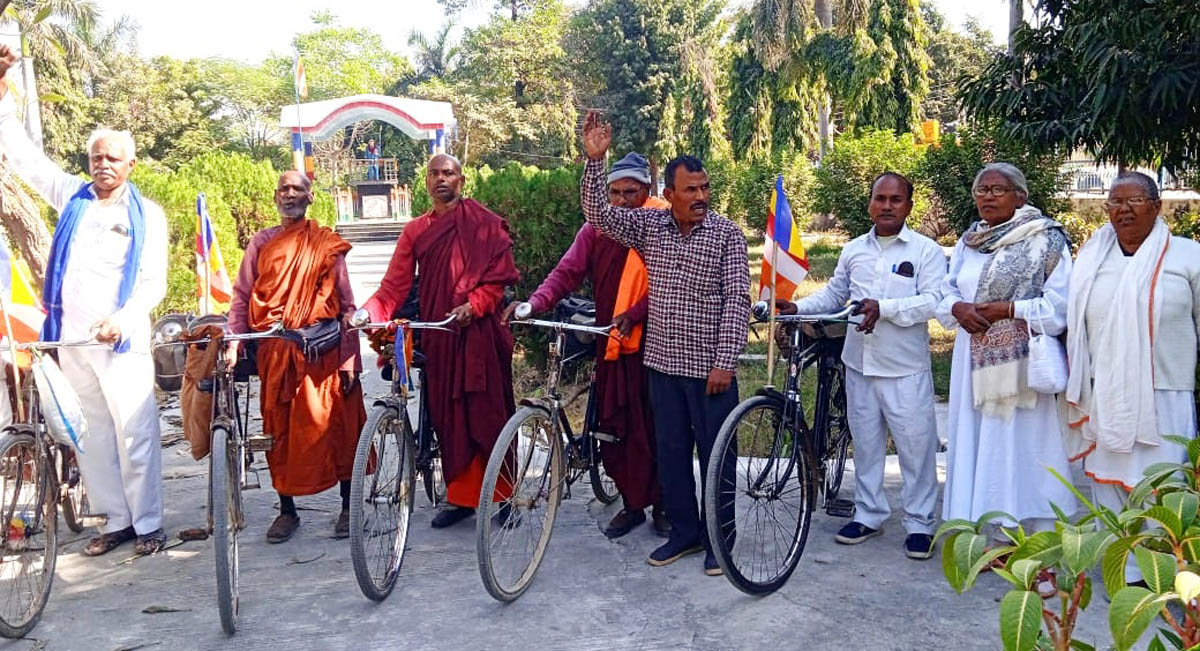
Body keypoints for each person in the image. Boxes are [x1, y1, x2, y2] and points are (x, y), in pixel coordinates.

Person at [0, 44, 169, 556]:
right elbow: (26, 159)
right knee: (91, 434)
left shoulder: (149, 216)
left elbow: (152, 283)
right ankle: (115, 521)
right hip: (72, 341)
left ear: (131, 164)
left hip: (122, 343)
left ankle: (148, 524)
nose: (102, 165)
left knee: (134, 434)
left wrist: (123, 318)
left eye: (112, 158)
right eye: (96, 158)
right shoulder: (71, 197)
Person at [580, 111, 750, 576]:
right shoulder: (648, 228)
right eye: (690, 190)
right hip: (662, 365)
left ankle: (721, 539)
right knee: (672, 455)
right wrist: (596, 162)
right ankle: (686, 532)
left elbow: (737, 299)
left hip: (710, 372)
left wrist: (725, 361)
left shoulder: (727, 235)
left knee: (718, 457)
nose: (700, 197)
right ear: (667, 195)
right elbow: (599, 215)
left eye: (704, 188)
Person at [777, 172, 944, 559]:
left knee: (915, 449)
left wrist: (884, 309)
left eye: (896, 199)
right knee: (866, 445)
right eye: (880, 198)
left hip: (904, 368)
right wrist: (797, 307)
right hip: (859, 364)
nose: (887, 206)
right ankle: (868, 514)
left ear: (909, 205)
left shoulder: (925, 251)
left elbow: (934, 301)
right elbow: (836, 294)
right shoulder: (854, 249)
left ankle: (920, 523)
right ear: (870, 203)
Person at [503, 152, 670, 539]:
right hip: (611, 342)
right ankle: (631, 504)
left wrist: (637, 311)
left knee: (658, 428)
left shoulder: (661, 223)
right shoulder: (597, 228)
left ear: (648, 190)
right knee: (613, 427)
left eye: (632, 192)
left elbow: (668, 282)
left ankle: (663, 503)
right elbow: (567, 271)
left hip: (655, 344)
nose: (623, 201)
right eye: (615, 192)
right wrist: (535, 302)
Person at [359, 153, 520, 529]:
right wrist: (369, 314)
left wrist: (475, 304)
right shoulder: (416, 230)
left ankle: (504, 494)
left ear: (461, 180)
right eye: (434, 174)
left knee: (490, 417)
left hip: (480, 335)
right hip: (441, 336)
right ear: (426, 182)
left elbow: (498, 283)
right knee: (449, 422)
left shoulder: (485, 224)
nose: (441, 179)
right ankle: (462, 498)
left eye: (448, 173)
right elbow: (394, 286)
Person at [1066, 172, 1200, 583]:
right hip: (1105, 388)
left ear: (1157, 207)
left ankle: (1164, 568)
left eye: (1135, 201)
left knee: (1163, 482)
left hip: (1166, 388)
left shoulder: (1187, 256)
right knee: (1109, 485)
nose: (1123, 210)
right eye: (1114, 203)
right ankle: (1120, 565)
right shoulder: (1092, 258)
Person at [226, 171, 366, 543]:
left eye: (298, 189)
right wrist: (234, 341)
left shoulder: (325, 244)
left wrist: (351, 358)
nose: (290, 194)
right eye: (284, 189)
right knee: (279, 432)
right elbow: (241, 297)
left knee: (340, 426)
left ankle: (349, 506)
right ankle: (287, 510)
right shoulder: (262, 242)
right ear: (275, 197)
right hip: (276, 353)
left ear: (310, 196)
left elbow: (347, 305)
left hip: (322, 352)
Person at [936, 162, 1077, 531]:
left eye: (997, 190)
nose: (987, 197)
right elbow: (946, 289)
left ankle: (1033, 534)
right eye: (981, 190)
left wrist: (1010, 309)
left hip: (1023, 363)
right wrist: (958, 308)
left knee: (1021, 446)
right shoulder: (971, 240)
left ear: (1020, 196)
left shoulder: (1046, 239)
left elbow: (1060, 308)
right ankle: (989, 533)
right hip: (971, 358)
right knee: (980, 441)